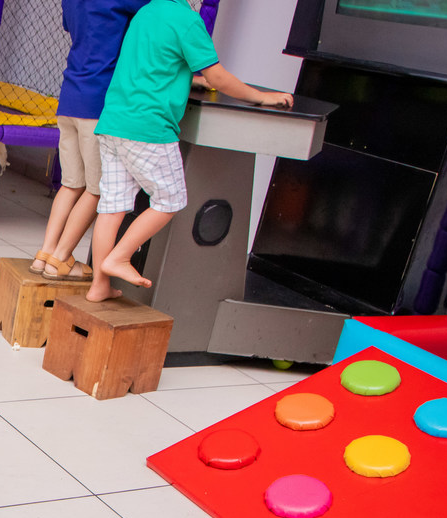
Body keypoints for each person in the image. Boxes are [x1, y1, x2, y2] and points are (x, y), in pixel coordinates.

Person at [86, 0, 293, 302]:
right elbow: (217, 77)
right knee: (170, 200)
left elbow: (156, 63)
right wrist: (262, 97)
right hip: (149, 128)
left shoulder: (147, 12)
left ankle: (99, 286)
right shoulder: (186, 20)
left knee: (113, 205)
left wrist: (185, 79)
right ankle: (120, 256)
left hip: (115, 121)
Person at [29, 0, 148, 281]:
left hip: (69, 97)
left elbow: (73, 25)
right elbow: (153, 13)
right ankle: (60, 258)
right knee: (97, 189)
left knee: (71, 184)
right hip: (97, 102)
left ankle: (45, 253)